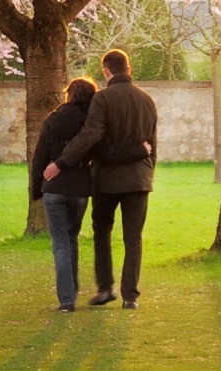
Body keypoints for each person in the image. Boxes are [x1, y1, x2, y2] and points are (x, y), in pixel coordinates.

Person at [44, 49, 158, 308]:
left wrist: (61, 162)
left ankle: (105, 287)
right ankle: (130, 295)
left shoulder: (103, 99)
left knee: (102, 232)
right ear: (128, 70)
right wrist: (149, 171)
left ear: (106, 71)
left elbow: (89, 135)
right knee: (133, 238)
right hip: (139, 179)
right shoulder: (147, 100)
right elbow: (152, 143)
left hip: (106, 179)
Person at [29, 78, 98, 312]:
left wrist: (36, 187)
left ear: (69, 94)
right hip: (79, 187)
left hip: (54, 186)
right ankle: (73, 292)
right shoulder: (92, 121)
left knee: (59, 243)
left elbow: (40, 154)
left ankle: (67, 300)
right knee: (71, 238)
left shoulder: (54, 118)